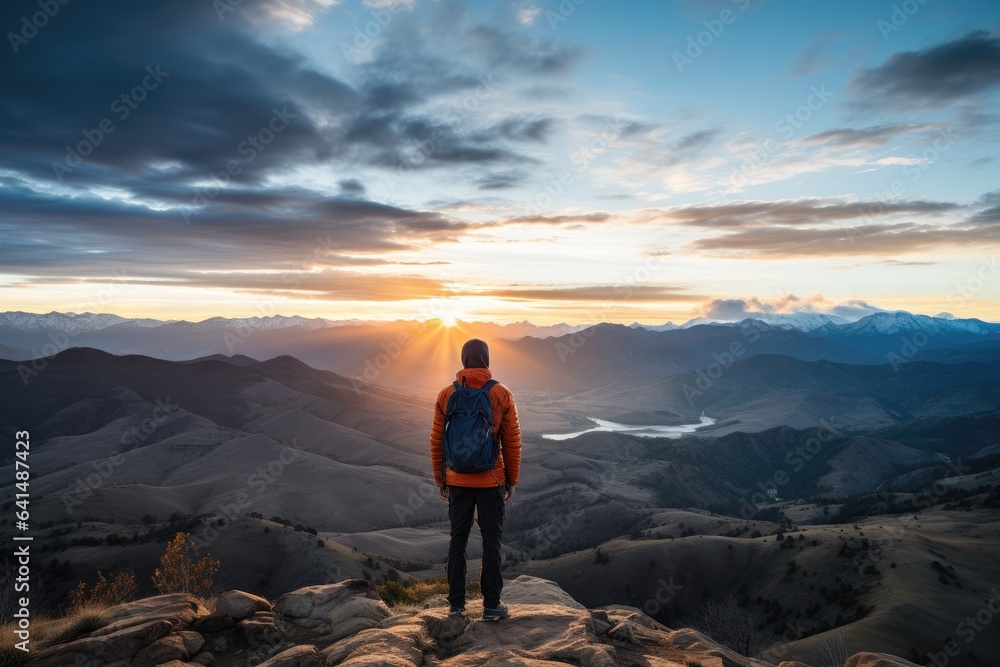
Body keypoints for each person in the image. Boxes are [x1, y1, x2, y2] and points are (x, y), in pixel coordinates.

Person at [429, 338, 522, 621]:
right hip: (491, 480)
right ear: (487, 360)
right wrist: (511, 480)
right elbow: (512, 442)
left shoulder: (446, 393)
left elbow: (436, 441)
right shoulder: (501, 393)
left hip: (457, 481)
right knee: (491, 542)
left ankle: (456, 605)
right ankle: (491, 605)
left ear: (463, 360)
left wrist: (441, 479)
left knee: (457, 540)